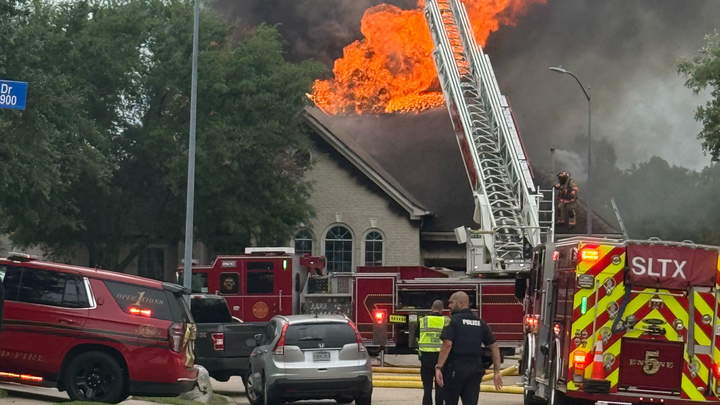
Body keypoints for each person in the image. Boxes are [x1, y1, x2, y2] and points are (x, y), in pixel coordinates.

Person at [434, 292, 502, 405]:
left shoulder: (453, 321)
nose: (449, 306)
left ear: (461, 304)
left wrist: (438, 367)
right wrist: (497, 372)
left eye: (451, 302)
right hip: (475, 370)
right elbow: (494, 346)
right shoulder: (480, 323)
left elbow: (447, 345)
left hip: (455, 369)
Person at [418, 300, 450, 405]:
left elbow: (416, 337)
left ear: (432, 308)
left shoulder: (423, 320)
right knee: (440, 387)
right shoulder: (447, 321)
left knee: (427, 388)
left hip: (426, 357)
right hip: (441, 358)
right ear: (442, 309)